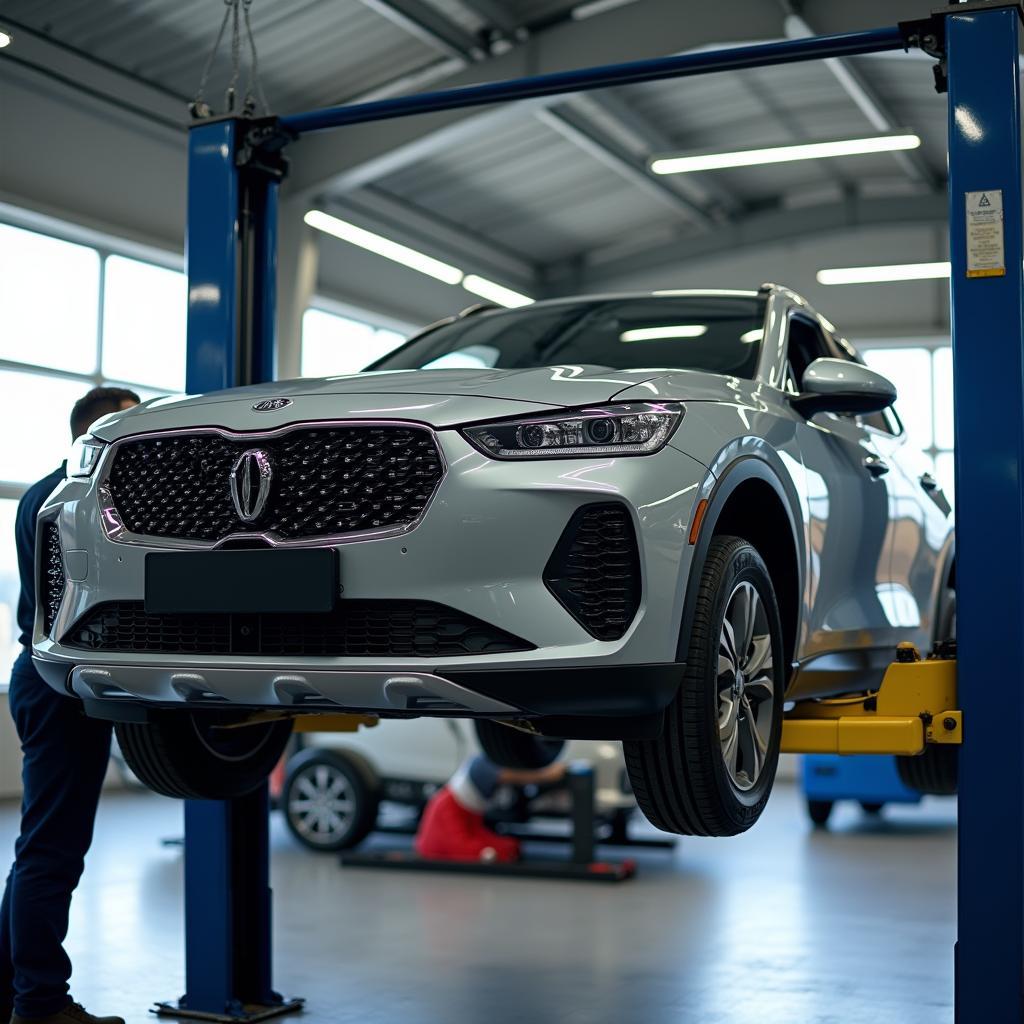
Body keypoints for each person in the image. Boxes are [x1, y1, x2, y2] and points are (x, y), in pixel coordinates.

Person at [1, 387, 139, 1024]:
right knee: (52, 852)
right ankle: (41, 1004)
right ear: (98, 429)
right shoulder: (77, 498)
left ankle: (19, 993)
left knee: (38, 846)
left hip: (38, 672)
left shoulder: (40, 492)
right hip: (63, 682)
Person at [415, 754, 567, 863]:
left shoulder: (465, 805)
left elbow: (474, 833)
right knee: (497, 849)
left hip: (466, 807)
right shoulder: (448, 808)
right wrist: (488, 853)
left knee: (506, 846)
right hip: (440, 846)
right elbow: (460, 845)